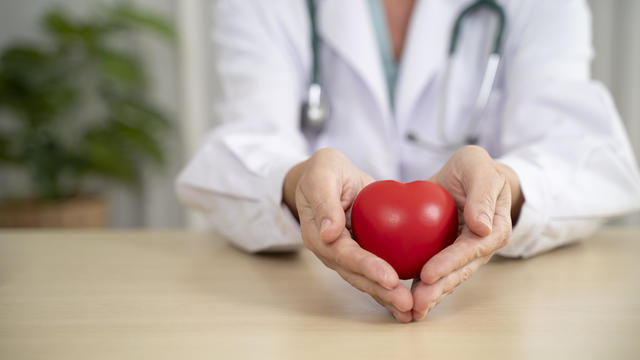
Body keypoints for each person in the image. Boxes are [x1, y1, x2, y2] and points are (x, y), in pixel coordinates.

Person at [176, 0, 640, 323]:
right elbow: (234, 154)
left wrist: (500, 188)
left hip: (495, 315)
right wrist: (299, 181)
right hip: (317, 314)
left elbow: (590, 159)